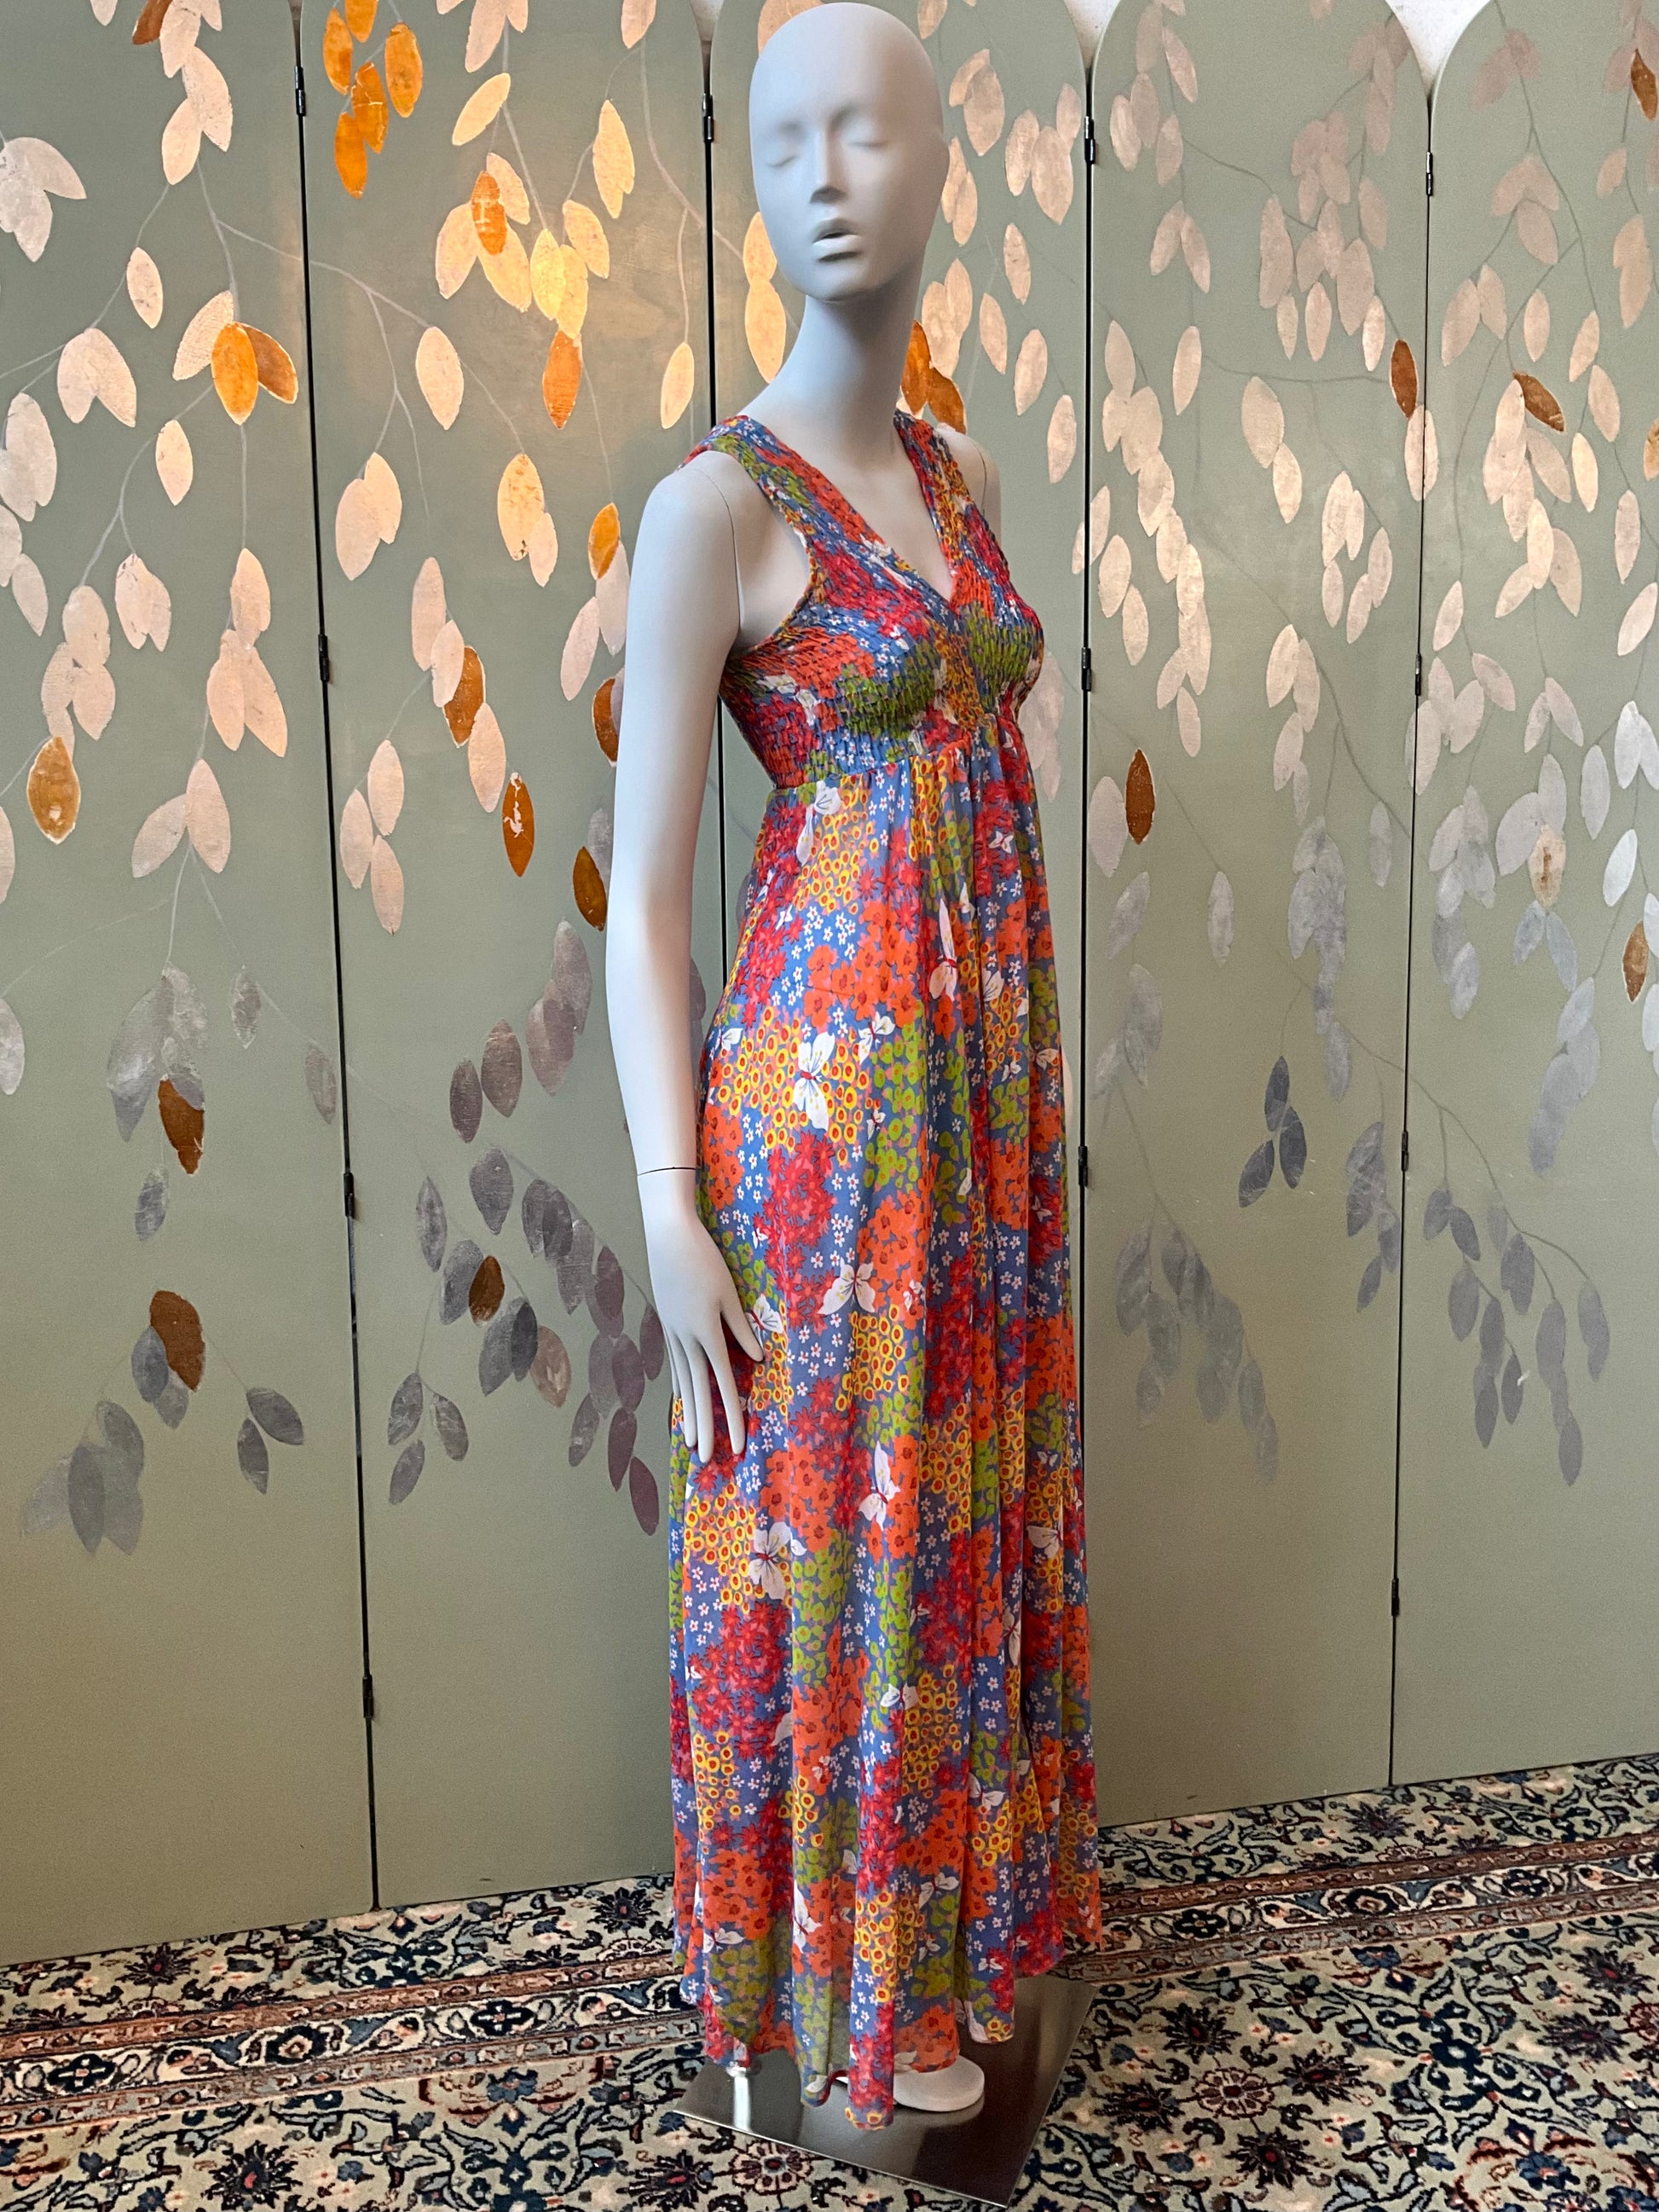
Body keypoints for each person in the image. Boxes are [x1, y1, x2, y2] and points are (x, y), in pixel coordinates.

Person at [605, 0, 1100, 2133]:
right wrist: (659, 1203)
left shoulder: (965, 476)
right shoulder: (713, 506)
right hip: (819, 1146)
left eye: (869, 129)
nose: (823, 171)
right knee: (847, 1547)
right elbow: (637, 899)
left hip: (983, 1115)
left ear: (935, 166)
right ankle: (835, 2003)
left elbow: (988, 753)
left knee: (968, 1530)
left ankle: (961, 1958)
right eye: (784, 134)